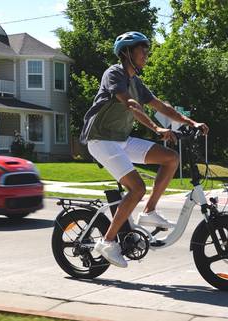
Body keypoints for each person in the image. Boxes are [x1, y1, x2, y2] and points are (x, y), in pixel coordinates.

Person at [79, 31, 209, 268]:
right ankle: (107, 242)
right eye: (142, 50)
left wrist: (192, 123)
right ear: (127, 52)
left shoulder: (136, 82)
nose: (146, 55)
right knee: (136, 188)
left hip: (121, 139)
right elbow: (130, 104)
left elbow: (160, 105)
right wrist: (157, 128)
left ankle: (149, 211)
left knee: (170, 158)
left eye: (147, 51)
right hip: (100, 140)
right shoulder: (114, 74)